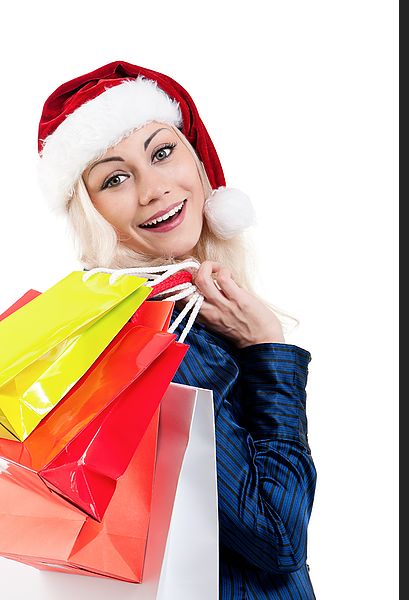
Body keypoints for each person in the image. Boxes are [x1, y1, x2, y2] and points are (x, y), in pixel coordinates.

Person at [37, 60, 317, 599]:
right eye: (114, 178)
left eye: (162, 152)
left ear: (196, 158)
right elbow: (278, 537)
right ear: (89, 209)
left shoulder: (172, 314)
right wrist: (268, 353)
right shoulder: (159, 340)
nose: (153, 189)